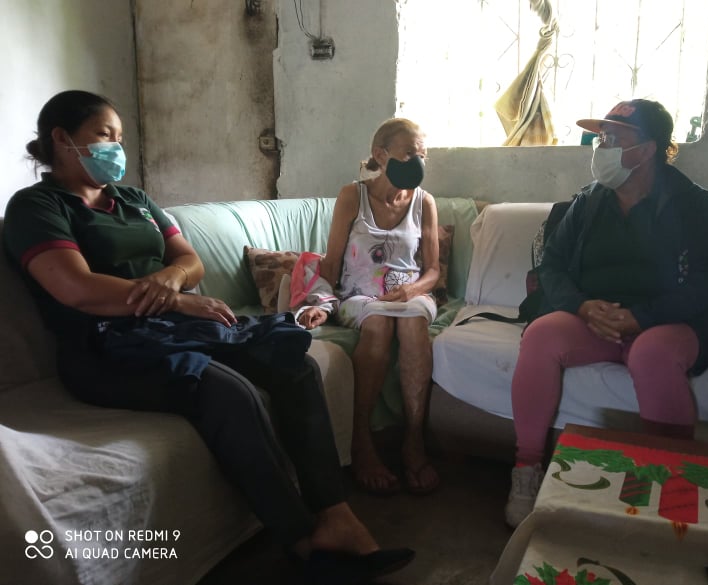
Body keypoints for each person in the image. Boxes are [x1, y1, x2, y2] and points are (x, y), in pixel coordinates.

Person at [3, 90, 414, 585]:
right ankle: (302, 541)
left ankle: (336, 516)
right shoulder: (37, 207)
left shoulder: (133, 200)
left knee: (294, 363)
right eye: (103, 135)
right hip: (105, 348)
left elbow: (190, 261)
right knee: (228, 393)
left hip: (171, 329)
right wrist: (176, 299)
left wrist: (172, 280)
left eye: (120, 138)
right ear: (62, 139)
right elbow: (77, 288)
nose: (116, 147)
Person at [505, 99, 708, 527]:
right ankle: (527, 467)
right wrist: (581, 305)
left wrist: (642, 316)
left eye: (612, 139)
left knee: (651, 354)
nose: (600, 147)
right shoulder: (590, 201)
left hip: (667, 322)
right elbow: (551, 265)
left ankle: (669, 480)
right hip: (595, 318)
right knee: (540, 335)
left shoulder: (691, 203)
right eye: (600, 138)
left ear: (646, 149)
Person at [296, 118, 441, 496]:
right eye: (409, 154)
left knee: (412, 324)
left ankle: (413, 439)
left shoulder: (424, 202)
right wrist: (323, 305)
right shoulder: (352, 196)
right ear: (381, 154)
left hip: (410, 295)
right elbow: (331, 263)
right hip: (360, 296)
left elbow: (433, 271)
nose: (417, 162)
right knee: (377, 322)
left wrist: (411, 291)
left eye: (422, 155)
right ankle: (361, 440)